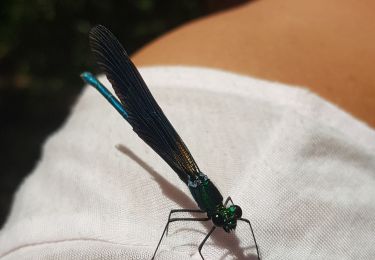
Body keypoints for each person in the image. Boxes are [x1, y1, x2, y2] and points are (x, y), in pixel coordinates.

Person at [0, 1, 374, 259]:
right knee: (139, 115)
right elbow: (184, 233)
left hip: (185, 162)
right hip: (168, 144)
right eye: (227, 218)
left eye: (227, 218)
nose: (229, 222)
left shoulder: (223, 213)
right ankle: (96, 80)